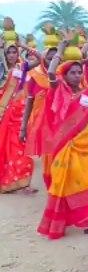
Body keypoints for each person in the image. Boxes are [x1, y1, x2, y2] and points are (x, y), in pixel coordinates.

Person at [37, 38, 88, 239]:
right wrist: (61, 49)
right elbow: (50, 72)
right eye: (72, 72)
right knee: (62, 182)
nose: (76, 75)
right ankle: (60, 222)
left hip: (87, 144)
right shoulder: (58, 91)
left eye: (79, 72)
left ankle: (86, 222)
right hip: (63, 145)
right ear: (64, 75)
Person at [20, 47, 58, 188]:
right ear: (43, 59)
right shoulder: (35, 76)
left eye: (56, 58)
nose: (53, 61)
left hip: (62, 122)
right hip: (43, 124)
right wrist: (23, 127)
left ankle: (61, 182)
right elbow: (29, 103)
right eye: (49, 58)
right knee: (49, 155)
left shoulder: (66, 75)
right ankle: (53, 182)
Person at [0, 43, 35, 194]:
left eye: (15, 52)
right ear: (6, 56)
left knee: (24, 148)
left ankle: (24, 182)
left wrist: (25, 47)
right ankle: (13, 182)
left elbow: (40, 60)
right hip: (10, 114)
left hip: (23, 113)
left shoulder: (24, 67)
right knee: (12, 150)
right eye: (9, 53)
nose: (12, 55)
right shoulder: (6, 72)